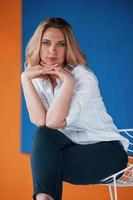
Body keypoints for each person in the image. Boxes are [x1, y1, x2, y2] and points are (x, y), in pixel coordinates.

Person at [21, 17, 129, 200]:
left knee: (46, 166)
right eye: (46, 43)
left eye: (60, 44)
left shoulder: (83, 78)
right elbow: (41, 122)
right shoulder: (39, 76)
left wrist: (68, 82)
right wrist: (25, 78)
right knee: (43, 135)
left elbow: (54, 122)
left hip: (107, 154)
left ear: (68, 48)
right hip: (72, 148)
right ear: (37, 45)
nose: (52, 51)